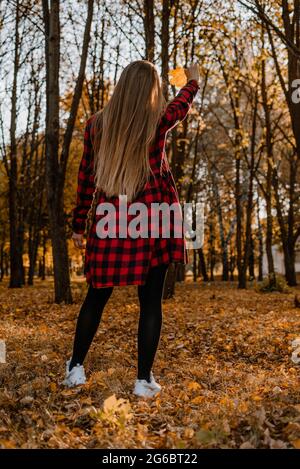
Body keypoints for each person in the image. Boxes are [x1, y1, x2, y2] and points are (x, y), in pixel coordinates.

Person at [64, 60, 200, 398]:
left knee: (97, 294)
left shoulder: (96, 125)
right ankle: (143, 381)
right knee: (151, 300)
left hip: (114, 215)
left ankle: (75, 368)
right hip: (155, 216)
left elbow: (86, 179)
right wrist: (193, 81)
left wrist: (79, 224)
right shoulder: (157, 121)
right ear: (152, 90)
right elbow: (180, 107)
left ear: (122, 86)